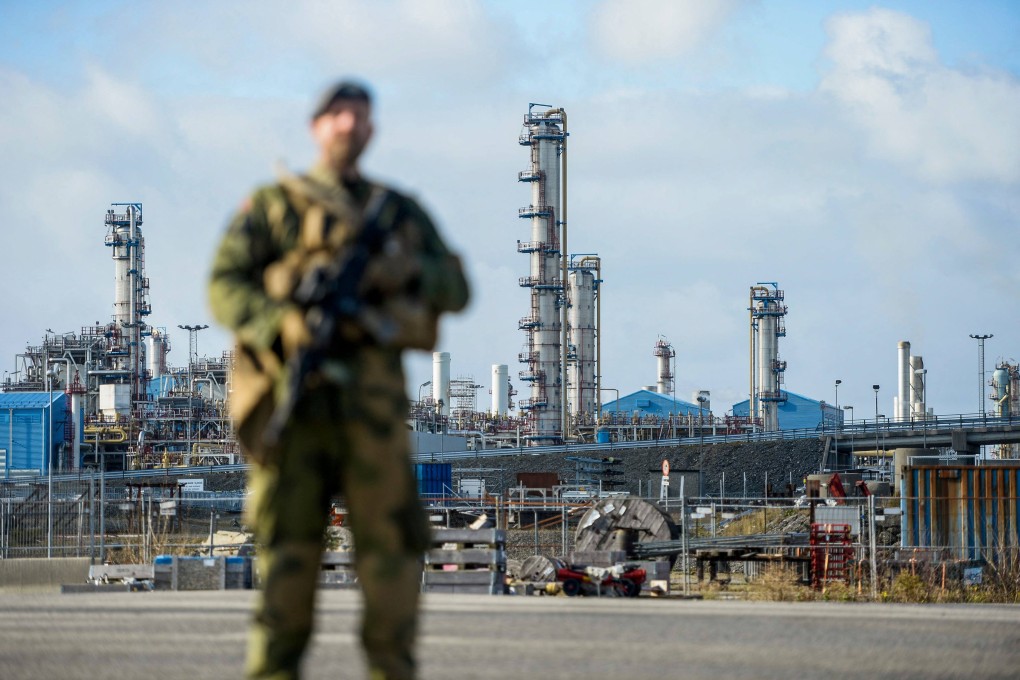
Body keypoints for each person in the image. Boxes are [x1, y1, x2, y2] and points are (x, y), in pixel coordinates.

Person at [208, 80, 469, 680]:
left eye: (360, 116)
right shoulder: (275, 208)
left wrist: (397, 269)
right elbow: (224, 285)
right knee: (284, 582)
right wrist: (281, 325)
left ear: (372, 130)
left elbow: (455, 287)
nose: (349, 126)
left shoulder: (398, 213)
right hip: (295, 415)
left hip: (372, 423)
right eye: (337, 115)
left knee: (393, 574)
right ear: (316, 127)